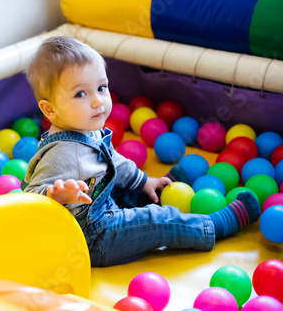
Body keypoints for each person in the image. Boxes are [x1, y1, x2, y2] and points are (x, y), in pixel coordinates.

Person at [21, 36, 261, 267]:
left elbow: (112, 160)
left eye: (101, 88)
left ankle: (151, 191)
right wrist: (55, 196)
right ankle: (212, 225)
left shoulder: (84, 128)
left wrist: (144, 181)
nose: (98, 101)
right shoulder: (60, 154)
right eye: (81, 94)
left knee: (122, 188)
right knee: (158, 221)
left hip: (101, 210)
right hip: (92, 241)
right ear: (49, 110)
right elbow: (30, 199)